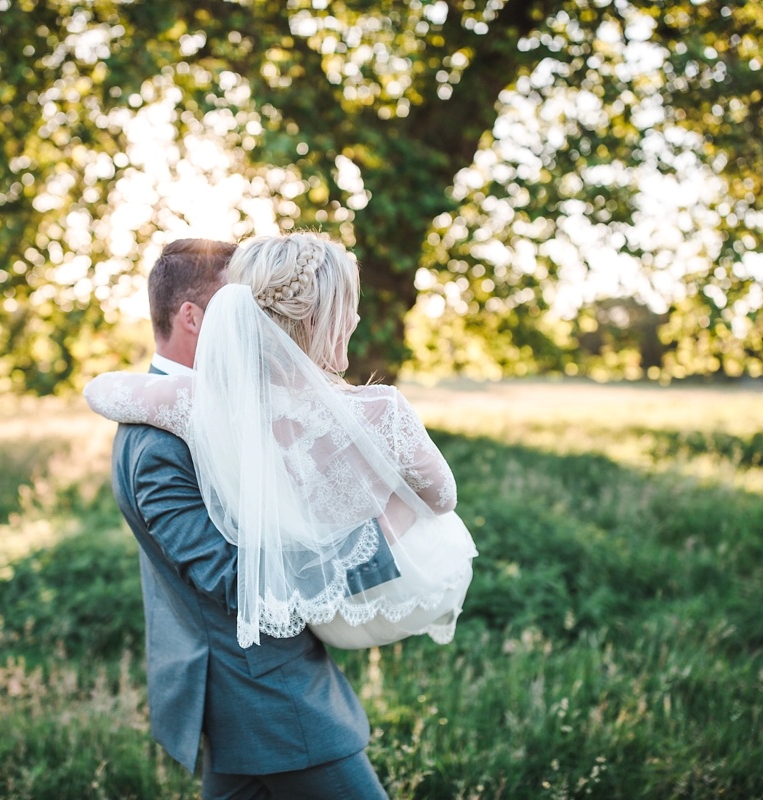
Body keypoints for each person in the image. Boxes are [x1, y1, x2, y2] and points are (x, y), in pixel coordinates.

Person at [87, 233, 477, 653]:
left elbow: (100, 390)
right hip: (395, 589)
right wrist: (384, 508)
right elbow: (443, 497)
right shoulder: (382, 410)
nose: (357, 321)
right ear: (315, 319)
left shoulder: (205, 404)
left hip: (328, 618)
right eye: (349, 308)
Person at [101, 237, 390, 799]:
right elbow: (233, 580)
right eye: (242, 308)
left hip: (251, 699)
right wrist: (381, 540)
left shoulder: (208, 409)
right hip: (271, 700)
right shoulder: (158, 443)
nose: (258, 325)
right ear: (192, 317)